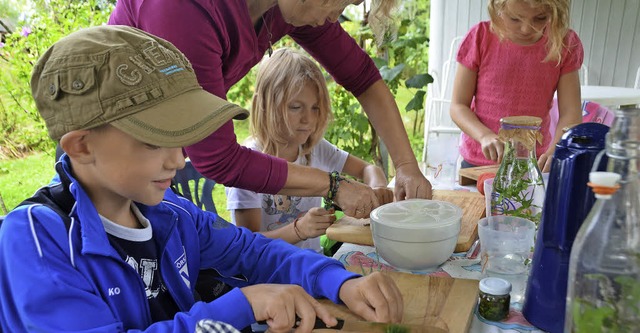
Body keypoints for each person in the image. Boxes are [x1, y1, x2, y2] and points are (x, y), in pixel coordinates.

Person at [0, 25, 403, 332]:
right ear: (82, 146)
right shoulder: (35, 241)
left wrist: (337, 280)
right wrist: (241, 305)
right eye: (155, 141)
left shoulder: (172, 212)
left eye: (183, 138)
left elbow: (255, 252)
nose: (179, 159)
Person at [108, 0, 433, 218]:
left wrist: (406, 165)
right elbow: (216, 156)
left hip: (152, 173)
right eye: (340, 1)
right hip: (108, 173)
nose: (335, 16)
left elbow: (361, 76)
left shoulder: (286, 8)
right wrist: (334, 186)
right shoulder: (182, 9)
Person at [226, 48, 393, 253]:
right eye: (296, 107)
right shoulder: (247, 162)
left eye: (315, 108)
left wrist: (377, 188)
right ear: (265, 105)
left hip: (312, 263)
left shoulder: (315, 149)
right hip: (268, 277)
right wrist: (299, 230)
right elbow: (247, 245)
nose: (308, 119)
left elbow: (368, 169)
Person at [450, 0, 583, 172]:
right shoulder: (480, 37)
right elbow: (458, 106)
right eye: (514, 19)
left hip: (533, 162)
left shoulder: (565, 43)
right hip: (479, 163)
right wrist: (484, 136)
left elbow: (571, 113)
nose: (526, 28)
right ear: (498, 8)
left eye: (540, 18)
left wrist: (556, 149)